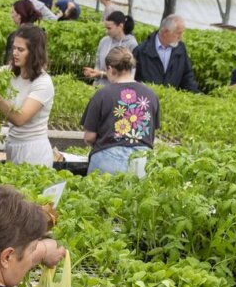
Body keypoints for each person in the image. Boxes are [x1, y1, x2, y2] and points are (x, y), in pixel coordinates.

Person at [81, 47, 159, 175]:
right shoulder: (150, 95)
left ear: (110, 69)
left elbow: (89, 137)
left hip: (106, 161)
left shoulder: (102, 94)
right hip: (142, 162)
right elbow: (151, 135)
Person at [0, 25, 55, 167]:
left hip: (33, 152)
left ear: (33, 53)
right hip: (13, 145)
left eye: (21, 50)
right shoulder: (11, 72)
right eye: (14, 48)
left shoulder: (43, 83)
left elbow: (20, 118)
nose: (15, 53)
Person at [133, 14, 199, 93]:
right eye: (178, 33)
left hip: (171, 101)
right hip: (147, 101)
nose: (181, 37)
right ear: (165, 32)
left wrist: (197, 96)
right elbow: (132, 79)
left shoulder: (180, 48)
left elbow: (187, 76)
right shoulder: (141, 51)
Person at [82, 11, 139, 86]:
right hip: (100, 86)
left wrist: (101, 74)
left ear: (120, 26)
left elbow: (129, 74)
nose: (106, 31)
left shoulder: (131, 44)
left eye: (109, 28)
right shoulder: (104, 41)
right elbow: (98, 62)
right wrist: (94, 72)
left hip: (118, 88)